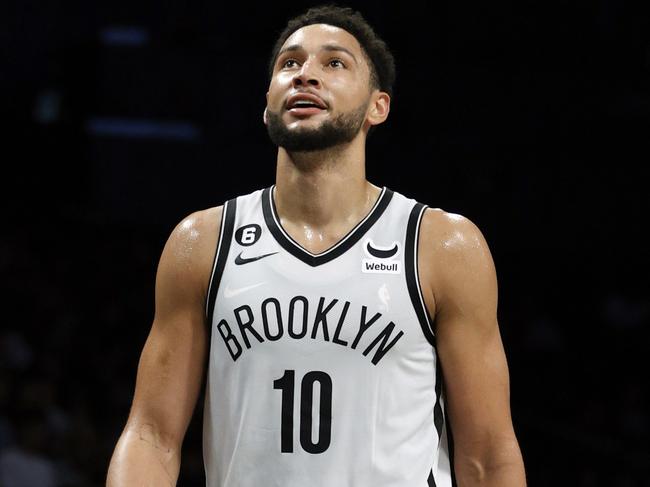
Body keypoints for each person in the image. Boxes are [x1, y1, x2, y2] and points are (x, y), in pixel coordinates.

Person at [106, 5, 526, 486]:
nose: (305, 74)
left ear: (378, 106)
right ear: (267, 104)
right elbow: (151, 437)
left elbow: (488, 456)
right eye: (289, 63)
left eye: (334, 63)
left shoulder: (442, 246)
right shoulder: (202, 243)